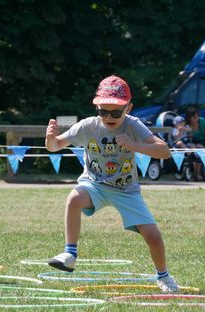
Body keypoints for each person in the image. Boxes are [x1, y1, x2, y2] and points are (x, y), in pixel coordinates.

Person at [45, 75, 179, 293]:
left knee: (152, 236)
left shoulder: (133, 126)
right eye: (103, 111)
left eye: (116, 112)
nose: (109, 117)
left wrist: (133, 144)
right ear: (97, 107)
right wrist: (51, 139)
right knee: (74, 198)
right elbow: (55, 146)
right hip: (94, 184)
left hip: (126, 190)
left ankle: (163, 276)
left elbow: (164, 151)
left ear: (129, 108)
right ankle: (70, 254)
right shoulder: (87, 126)